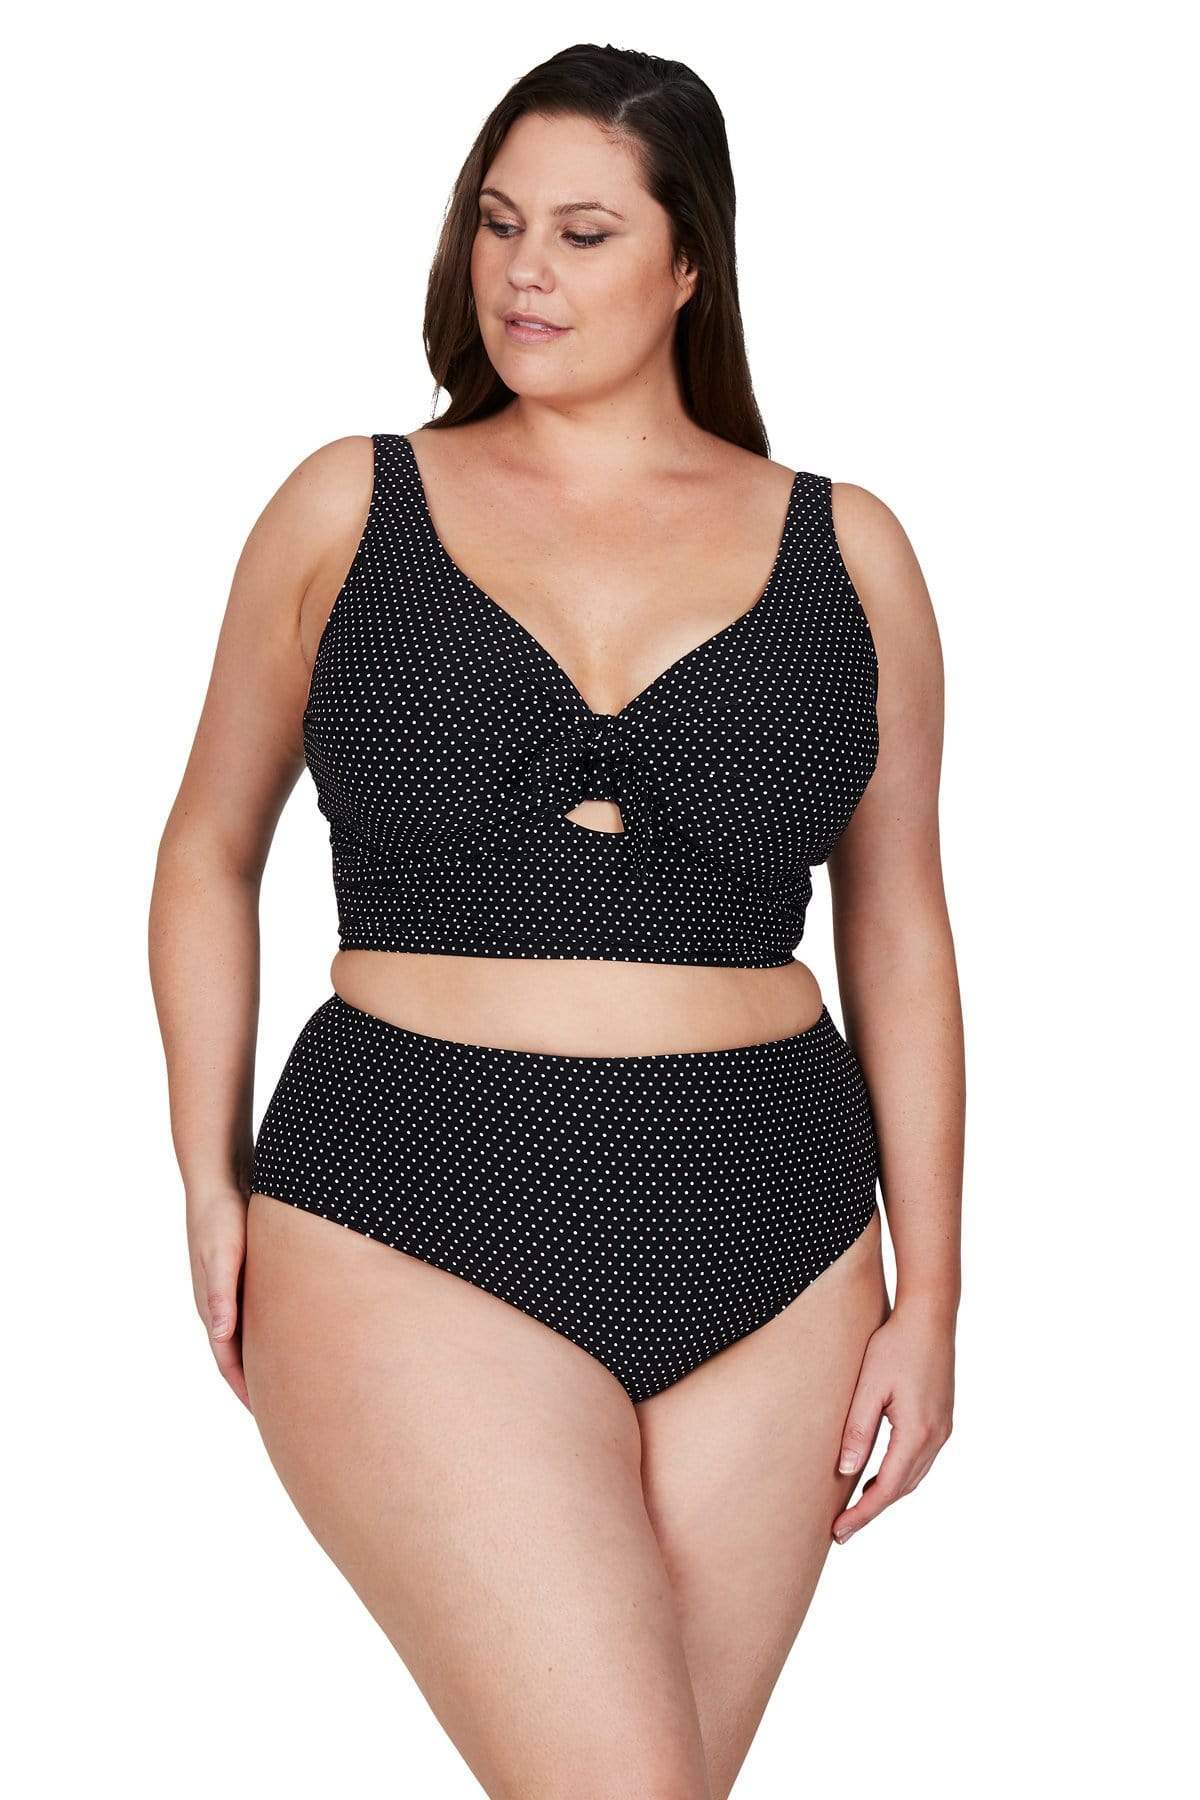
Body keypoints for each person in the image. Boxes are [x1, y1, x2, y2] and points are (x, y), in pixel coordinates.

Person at [148, 42, 964, 1800]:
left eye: (585, 234)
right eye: (499, 223)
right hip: (410, 1197)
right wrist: (208, 1179)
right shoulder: (349, 503)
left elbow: (901, 928)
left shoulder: (852, 553)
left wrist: (935, 1292)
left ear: (689, 267)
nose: (523, 271)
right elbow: (209, 849)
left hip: (780, 1229)